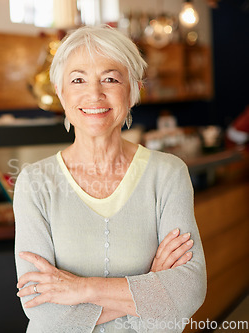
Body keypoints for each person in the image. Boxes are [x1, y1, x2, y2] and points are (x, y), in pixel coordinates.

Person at [14, 25, 206, 332]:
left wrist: (80, 289)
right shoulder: (34, 183)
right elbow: (44, 311)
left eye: (110, 78)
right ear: (61, 94)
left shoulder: (168, 173)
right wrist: (148, 290)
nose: (94, 93)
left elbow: (188, 292)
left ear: (132, 90)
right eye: (77, 79)